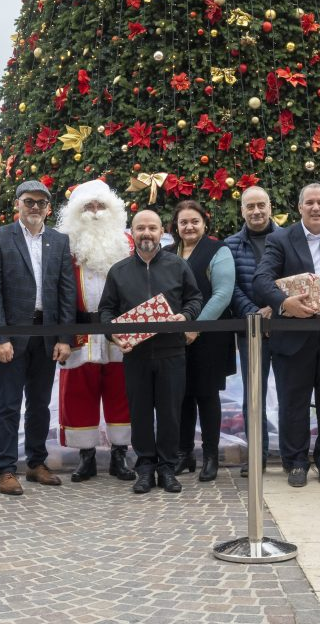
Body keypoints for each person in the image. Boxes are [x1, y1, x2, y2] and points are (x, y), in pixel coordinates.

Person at [253, 183, 320, 488]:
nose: (316, 208)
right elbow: (261, 279)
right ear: (299, 207)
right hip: (296, 330)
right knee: (293, 400)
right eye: (309, 202)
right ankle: (295, 462)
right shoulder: (282, 238)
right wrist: (283, 304)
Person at [0, 180, 76, 496]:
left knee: (39, 404)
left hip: (46, 335)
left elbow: (66, 292)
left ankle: (36, 463)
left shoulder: (59, 241)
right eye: (29, 201)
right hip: (11, 336)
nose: (34, 207)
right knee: (8, 404)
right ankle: (6, 469)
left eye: (40, 202)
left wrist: (65, 337)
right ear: (18, 204)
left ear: (48, 208)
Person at [98, 209, 203, 494]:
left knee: (170, 412)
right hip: (136, 355)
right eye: (140, 228)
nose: (147, 233)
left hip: (172, 352)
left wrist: (187, 315)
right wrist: (113, 332)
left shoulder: (178, 265)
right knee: (140, 412)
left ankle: (167, 468)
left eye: (152, 228)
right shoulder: (118, 271)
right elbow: (106, 309)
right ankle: (145, 467)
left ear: (161, 232)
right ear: (132, 232)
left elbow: (194, 297)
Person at [55, 179, 136, 483]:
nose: (95, 211)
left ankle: (119, 454)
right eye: (88, 206)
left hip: (119, 329)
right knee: (78, 392)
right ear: (76, 212)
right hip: (79, 328)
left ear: (112, 209)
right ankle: (85, 457)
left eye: (101, 206)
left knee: (121, 391)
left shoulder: (127, 242)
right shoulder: (65, 244)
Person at [166, 200, 236, 482]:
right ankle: (184, 454)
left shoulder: (218, 250)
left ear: (204, 223)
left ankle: (210, 457)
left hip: (209, 335)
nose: (189, 226)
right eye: (183, 222)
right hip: (175, 335)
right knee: (181, 396)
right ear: (176, 227)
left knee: (207, 397)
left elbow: (222, 294)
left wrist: (196, 328)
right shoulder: (169, 252)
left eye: (194, 221)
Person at [224, 186, 278, 476]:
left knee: (292, 393)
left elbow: (296, 278)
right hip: (250, 330)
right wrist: (254, 314)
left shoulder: (289, 238)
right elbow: (229, 286)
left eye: (261, 205)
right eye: (250, 207)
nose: (256, 211)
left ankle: (295, 455)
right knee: (253, 395)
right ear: (242, 210)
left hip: (285, 327)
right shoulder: (230, 245)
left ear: (270, 207)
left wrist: (274, 309)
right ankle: (257, 455)